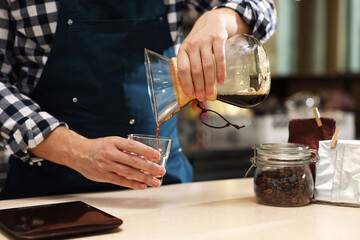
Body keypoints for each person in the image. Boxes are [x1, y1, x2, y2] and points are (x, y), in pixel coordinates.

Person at [0, 0, 277, 200]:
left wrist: (221, 17)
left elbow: (264, 7)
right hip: (49, 197)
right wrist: (78, 151)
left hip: (166, 193)